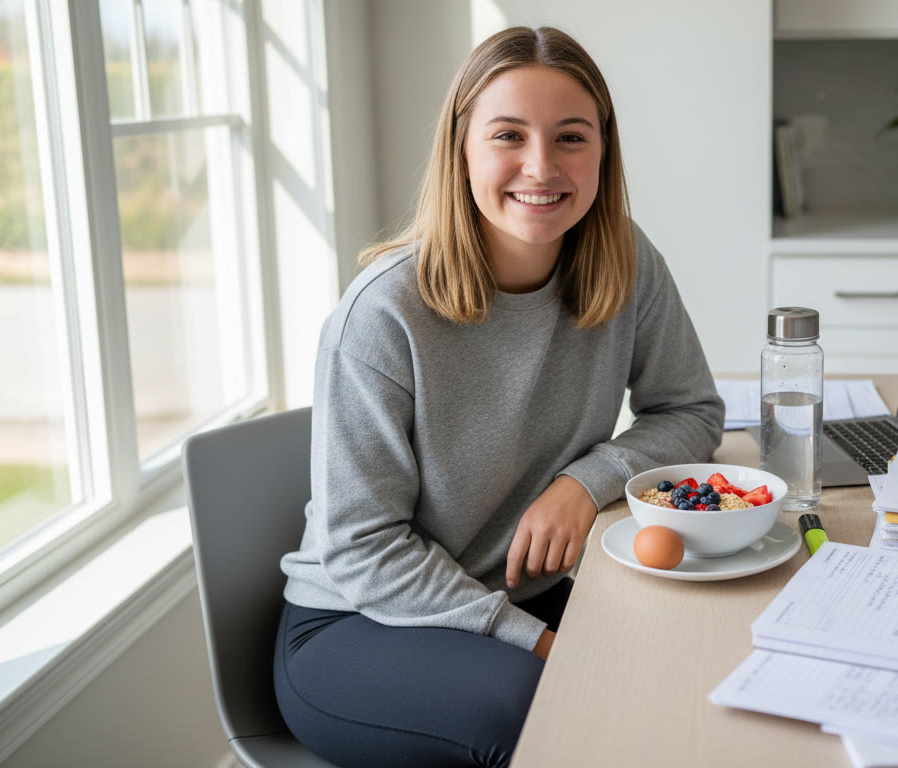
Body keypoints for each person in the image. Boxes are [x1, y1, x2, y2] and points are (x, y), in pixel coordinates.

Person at [272, 25, 724, 768]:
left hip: (521, 594)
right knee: (550, 710)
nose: (540, 166)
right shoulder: (383, 316)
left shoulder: (625, 260)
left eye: (570, 137)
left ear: (603, 151)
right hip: (360, 622)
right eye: (508, 135)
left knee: (687, 656)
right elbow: (364, 550)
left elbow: (692, 411)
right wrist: (539, 642)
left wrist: (586, 482)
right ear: (462, 151)